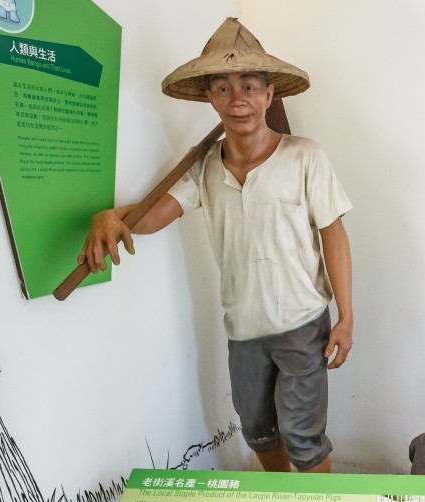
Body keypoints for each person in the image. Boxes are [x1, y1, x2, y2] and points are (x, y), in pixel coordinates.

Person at [78, 19, 352, 474]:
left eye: (249, 85)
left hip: (302, 323)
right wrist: (110, 216)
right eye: (222, 88)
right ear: (210, 98)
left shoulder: (305, 157)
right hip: (242, 329)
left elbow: (334, 235)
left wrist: (346, 317)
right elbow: (153, 216)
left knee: (303, 436)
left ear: (268, 95)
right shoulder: (203, 168)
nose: (237, 98)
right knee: (259, 431)